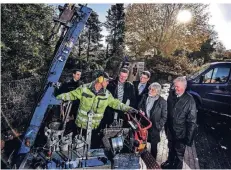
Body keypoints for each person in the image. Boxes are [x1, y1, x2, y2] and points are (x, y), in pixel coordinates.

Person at [56, 72, 137, 147]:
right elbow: (70, 95)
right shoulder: (84, 89)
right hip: (80, 127)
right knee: (77, 147)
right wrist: (56, 97)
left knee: (92, 147)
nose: (108, 83)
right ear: (100, 79)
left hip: (95, 128)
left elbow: (116, 103)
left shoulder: (106, 94)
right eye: (107, 81)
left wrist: (128, 108)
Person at [161, 76, 197, 169]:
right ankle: (169, 162)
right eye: (175, 86)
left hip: (181, 134)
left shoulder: (190, 100)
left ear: (184, 87)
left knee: (179, 154)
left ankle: (176, 167)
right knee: (170, 148)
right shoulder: (171, 95)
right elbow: (167, 111)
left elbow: (192, 121)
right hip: (170, 130)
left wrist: (188, 139)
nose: (175, 88)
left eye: (177, 86)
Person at [138, 82, 167, 159]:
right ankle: (141, 158)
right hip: (144, 125)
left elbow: (164, 117)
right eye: (150, 89)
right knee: (142, 143)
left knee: (154, 146)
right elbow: (140, 106)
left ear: (157, 92)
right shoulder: (145, 97)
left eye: (153, 90)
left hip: (154, 127)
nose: (150, 91)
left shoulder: (162, 102)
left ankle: (153, 162)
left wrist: (158, 126)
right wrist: (141, 111)